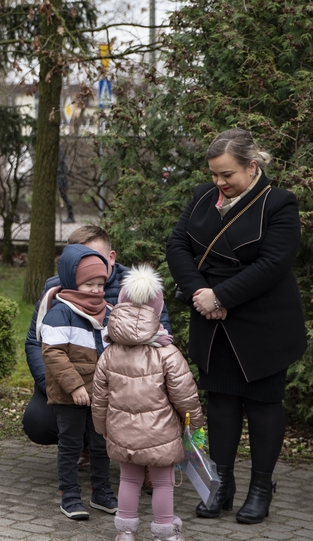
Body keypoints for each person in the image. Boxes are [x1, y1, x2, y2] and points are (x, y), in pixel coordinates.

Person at [166, 128, 305, 525]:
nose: (219, 182)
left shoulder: (279, 203)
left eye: (227, 174)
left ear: (252, 166)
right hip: (212, 319)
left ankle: (260, 488)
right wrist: (200, 293)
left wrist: (221, 297)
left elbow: (274, 264)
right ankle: (221, 484)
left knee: (263, 405)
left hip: (263, 322)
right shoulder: (202, 196)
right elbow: (177, 245)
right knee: (221, 403)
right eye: (214, 174)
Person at [23, 225, 174, 448]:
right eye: (79, 260)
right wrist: (59, 385)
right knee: (39, 422)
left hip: (122, 383)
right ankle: (83, 444)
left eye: (94, 257)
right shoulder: (54, 289)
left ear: (111, 257)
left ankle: (131, 452)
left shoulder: (137, 288)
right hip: (70, 379)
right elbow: (35, 343)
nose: (88, 265)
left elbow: (160, 341)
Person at [93, 265, 203, 541]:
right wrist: (195, 425)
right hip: (161, 434)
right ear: (157, 308)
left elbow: (99, 396)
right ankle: (165, 533)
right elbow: (185, 394)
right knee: (164, 482)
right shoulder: (167, 352)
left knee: (129, 479)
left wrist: (102, 426)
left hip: (121, 432)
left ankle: (126, 533)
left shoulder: (109, 351)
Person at [38, 244, 117, 520]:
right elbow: (53, 353)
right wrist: (75, 386)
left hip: (101, 394)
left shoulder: (109, 312)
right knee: (71, 445)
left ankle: (101, 492)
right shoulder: (60, 313)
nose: (96, 290)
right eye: (89, 284)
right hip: (69, 394)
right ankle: (70, 495)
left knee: (101, 444)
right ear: (73, 282)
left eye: (100, 284)